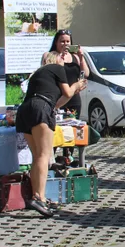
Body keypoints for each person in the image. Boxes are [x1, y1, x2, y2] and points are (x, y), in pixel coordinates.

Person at [15, 51, 74, 217]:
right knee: (44, 155)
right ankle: (39, 198)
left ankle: (38, 196)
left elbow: (55, 104)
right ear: (55, 60)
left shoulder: (39, 74)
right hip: (41, 108)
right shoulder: (56, 68)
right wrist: (76, 87)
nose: (65, 59)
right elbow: (67, 93)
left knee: (37, 157)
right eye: (62, 57)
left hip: (25, 110)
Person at [48, 29, 90, 164]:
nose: (65, 44)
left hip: (74, 97)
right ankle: (51, 158)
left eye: (67, 41)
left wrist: (81, 57)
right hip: (58, 97)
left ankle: (68, 157)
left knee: (71, 130)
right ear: (56, 42)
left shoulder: (75, 57)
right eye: (62, 41)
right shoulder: (50, 56)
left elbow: (86, 73)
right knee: (54, 128)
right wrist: (59, 58)